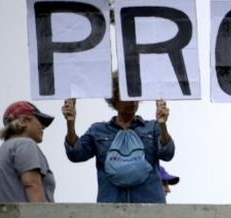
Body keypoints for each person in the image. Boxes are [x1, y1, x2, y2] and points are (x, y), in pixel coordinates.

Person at [63, 73, 174, 203]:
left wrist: (162, 124)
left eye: (135, 94)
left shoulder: (152, 128)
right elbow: (76, 154)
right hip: (112, 209)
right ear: (114, 100)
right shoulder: (98, 131)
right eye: (126, 95)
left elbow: (168, 153)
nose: (132, 101)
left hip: (149, 208)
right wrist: (70, 123)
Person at [0, 101, 56, 203]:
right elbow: (31, 184)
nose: (43, 127)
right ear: (23, 121)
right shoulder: (25, 144)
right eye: (39, 121)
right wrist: (41, 216)